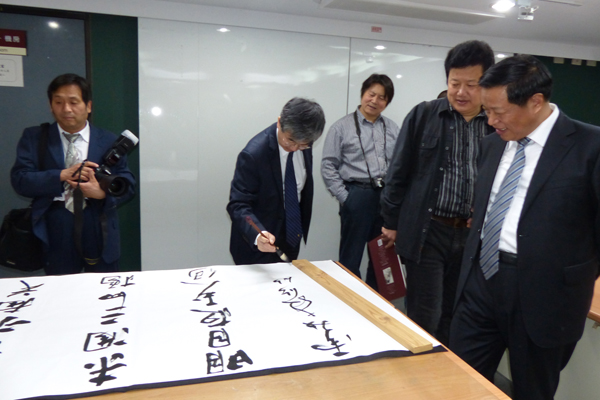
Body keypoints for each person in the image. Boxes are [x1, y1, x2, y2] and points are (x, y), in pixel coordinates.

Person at [450, 55, 600, 400]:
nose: (491, 121)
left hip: (547, 295)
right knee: (459, 382)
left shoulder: (590, 147)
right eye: (486, 111)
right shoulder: (492, 145)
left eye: (498, 112)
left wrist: (575, 275)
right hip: (481, 281)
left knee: (533, 390)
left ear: (535, 101)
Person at [379, 40, 495, 345]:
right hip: (428, 231)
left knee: (455, 313)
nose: (461, 92)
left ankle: (447, 369)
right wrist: (391, 222)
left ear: (487, 83)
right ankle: (419, 368)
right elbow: (398, 171)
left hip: (472, 236)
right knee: (425, 313)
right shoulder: (424, 115)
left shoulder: (496, 124)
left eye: (471, 84)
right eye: (455, 83)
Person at [11, 73, 135, 275]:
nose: (66, 109)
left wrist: (101, 194)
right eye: (59, 102)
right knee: (61, 287)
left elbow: (128, 184)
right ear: (51, 106)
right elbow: (20, 180)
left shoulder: (108, 140)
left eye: (73, 102)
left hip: (98, 221)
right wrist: (62, 175)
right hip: (56, 222)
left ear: (88, 106)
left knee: (103, 285)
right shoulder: (35, 137)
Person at [321, 74, 399, 288]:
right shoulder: (341, 127)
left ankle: (376, 298)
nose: (375, 101)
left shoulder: (393, 128)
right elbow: (328, 166)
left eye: (382, 97)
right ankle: (350, 297)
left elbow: (400, 166)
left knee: (382, 257)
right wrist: (346, 198)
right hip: (356, 194)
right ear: (363, 94)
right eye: (371, 94)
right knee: (350, 257)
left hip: (385, 198)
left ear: (387, 102)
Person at [227, 97, 325, 265]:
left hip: (290, 237)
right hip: (258, 245)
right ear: (280, 122)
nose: (294, 148)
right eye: (290, 141)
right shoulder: (254, 154)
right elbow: (238, 204)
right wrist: (257, 234)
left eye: (302, 145)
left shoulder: (304, 144)